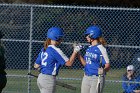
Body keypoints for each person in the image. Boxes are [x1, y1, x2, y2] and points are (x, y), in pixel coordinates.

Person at [34, 27, 81, 93]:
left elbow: (36, 65)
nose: (61, 40)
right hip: (48, 79)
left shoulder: (44, 48)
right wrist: (75, 51)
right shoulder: (55, 50)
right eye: (60, 38)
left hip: (41, 78)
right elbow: (69, 63)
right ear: (56, 37)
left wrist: (44, 71)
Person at [77, 25, 110, 93]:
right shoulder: (89, 48)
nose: (86, 37)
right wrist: (77, 53)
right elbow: (85, 64)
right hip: (86, 76)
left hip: (96, 78)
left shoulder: (101, 48)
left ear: (93, 35)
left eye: (87, 35)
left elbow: (107, 65)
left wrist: (103, 70)